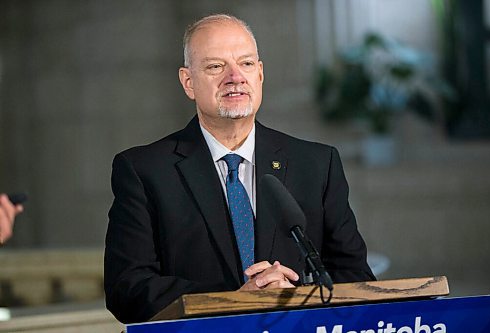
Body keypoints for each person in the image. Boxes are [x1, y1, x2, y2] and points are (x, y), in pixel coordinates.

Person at [104, 14, 375, 324]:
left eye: (246, 64)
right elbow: (127, 288)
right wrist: (235, 298)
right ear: (188, 82)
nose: (235, 77)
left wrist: (295, 293)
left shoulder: (317, 164)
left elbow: (356, 276)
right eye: (216, 66)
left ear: (259, 74)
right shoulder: (143, 171)